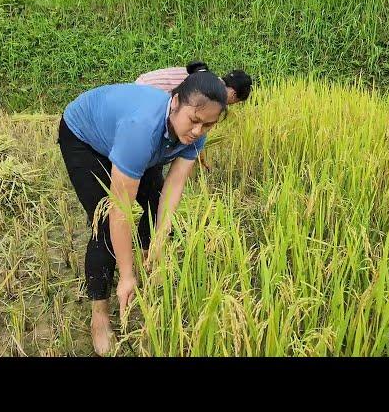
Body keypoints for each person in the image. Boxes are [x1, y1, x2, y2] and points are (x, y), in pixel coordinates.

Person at [57, 70, 228, 356]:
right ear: (175, 102)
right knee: (104, 226)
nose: (198, 131)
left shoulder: (194, 136)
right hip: (83, 137)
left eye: (208, 125)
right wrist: (126, 275)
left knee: (155, 201)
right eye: (194, 120)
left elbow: (173, 186)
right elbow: (120, 211)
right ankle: (99, 314)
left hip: (132, 139)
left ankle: (148, 257)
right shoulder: (141, 130)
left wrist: (160, 237)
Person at [136, 61, 252, 170]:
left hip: (142, 87)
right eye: (236, 102)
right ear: (233, 94)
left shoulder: (209, 81)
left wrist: (199, 158)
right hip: (144, 99)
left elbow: (197, 133)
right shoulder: (209, 94)